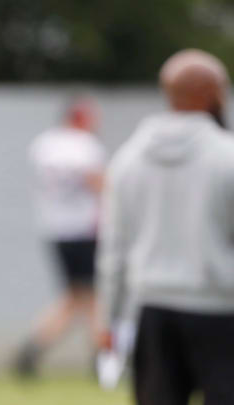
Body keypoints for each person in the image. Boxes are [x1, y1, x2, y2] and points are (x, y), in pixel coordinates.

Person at [97, 49, 234, 405]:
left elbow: (113, 249)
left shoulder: (128, 159)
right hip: (219, 307)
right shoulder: (226, 156)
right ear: (214, 94)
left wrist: (109, 318)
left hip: (152, 310)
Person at [15, 97, 106, 377]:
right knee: (88, 295)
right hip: (83, 228)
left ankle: (35, 348)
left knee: (79, 295)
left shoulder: (45, 145)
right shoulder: (85, 146)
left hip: (55, 228)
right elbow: (98, 183)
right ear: (81, 117)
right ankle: (103, 358)